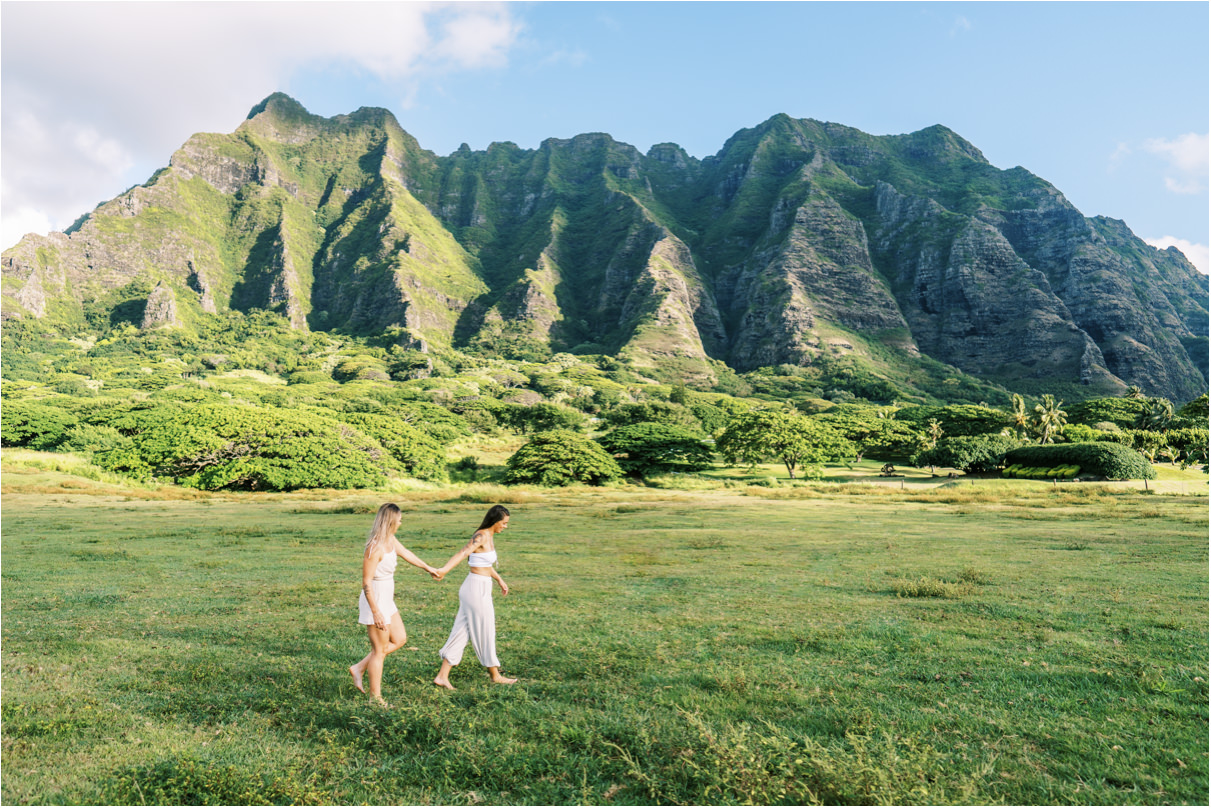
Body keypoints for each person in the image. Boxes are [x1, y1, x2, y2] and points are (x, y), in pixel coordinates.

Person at [349, 503, 440, 704]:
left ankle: (359, 667)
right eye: (399, 519)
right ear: (391, 521)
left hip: (387, 597)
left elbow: (406, 552)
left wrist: (428, 568)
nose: (401, 522)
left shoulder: (390, 539)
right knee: (379, 651)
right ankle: (376, 698)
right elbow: (366, 582)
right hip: (376, 599)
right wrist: (376, 612)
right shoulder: (375, 547)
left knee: (399, 639)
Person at [433, 504, 516, 689]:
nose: (505, 526)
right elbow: (463, 553)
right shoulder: (480, 536)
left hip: (481, 587)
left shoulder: (490, 536)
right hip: (475, 589)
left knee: (461, 632)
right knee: (485, 630)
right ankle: (495, 675)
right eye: (504, 523)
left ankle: (442, 676)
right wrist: (444, 570)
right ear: (494, 521)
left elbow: (485, 563)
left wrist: (499, 580)